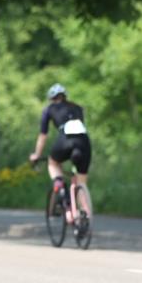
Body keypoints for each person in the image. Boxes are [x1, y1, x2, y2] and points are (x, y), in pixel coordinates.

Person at [29, 83, 92, 225]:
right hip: (83, 142)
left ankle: (58, 183)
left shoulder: (49, 109)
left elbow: (43, 135)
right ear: (65, 96)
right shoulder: (77, 107)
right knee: (81, 182)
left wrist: (36, 155)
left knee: (53, 163)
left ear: (51, 98)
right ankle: (85, 214)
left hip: (64, 140)